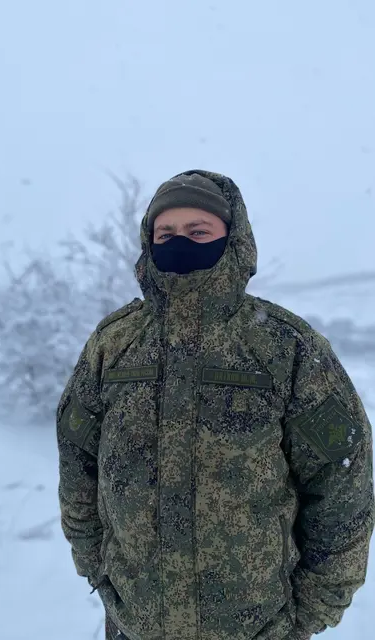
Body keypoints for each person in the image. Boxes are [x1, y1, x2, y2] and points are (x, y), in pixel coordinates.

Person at [56, 170, 374, 640]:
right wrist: (97, 569)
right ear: (148, 241)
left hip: (258, 628)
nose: (180, 243)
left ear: (232, 238)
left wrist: (309, 611)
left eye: (198, 231)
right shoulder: (114, 344)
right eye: (166, 234)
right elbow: (77, 463)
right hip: (133, 626)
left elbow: (342, 481)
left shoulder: (285, 345)